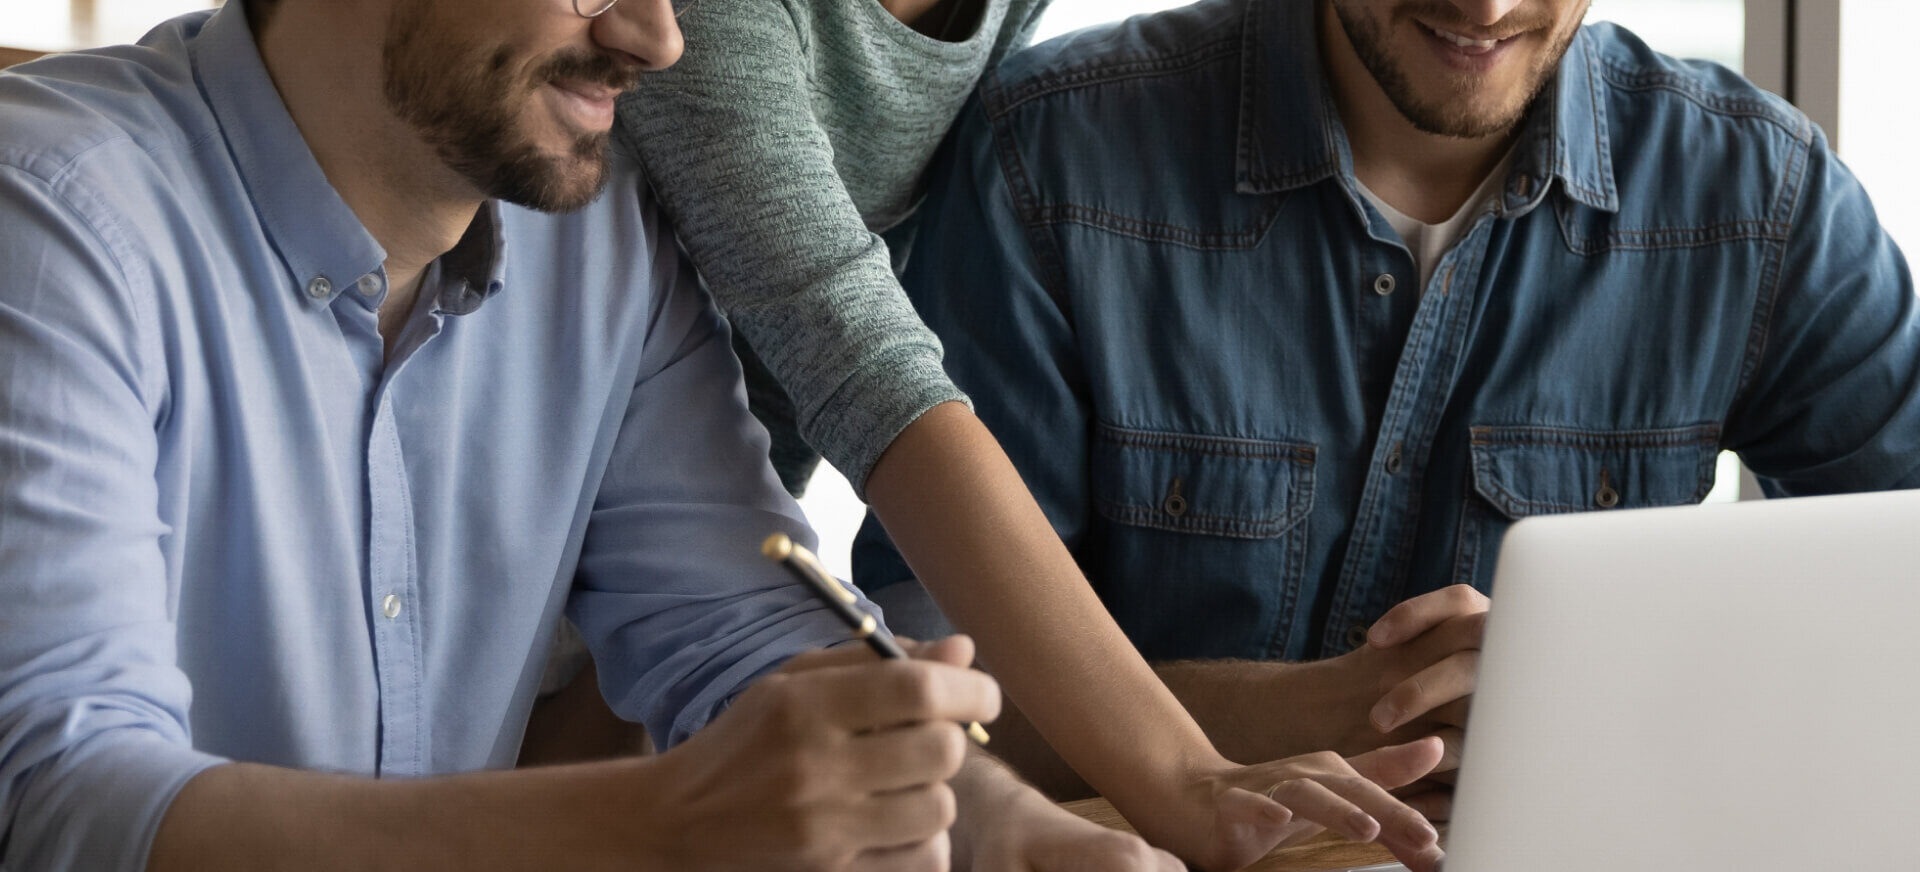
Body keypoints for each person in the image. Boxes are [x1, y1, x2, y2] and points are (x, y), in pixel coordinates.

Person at [0, 0, 1447, 867]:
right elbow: (65, 805)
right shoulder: (57, 217)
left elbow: (741, 641)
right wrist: (660, 829)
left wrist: (1021, 837)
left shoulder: (594, 247)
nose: (658, 37)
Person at [856, 0, 1920, 805]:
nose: (1487, 5)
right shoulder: (1052, 158)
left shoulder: (1763, 200)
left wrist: (1638, 696)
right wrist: (1344, 709)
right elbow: (932, 690)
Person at [590, 1, 1457, 869]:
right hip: (549, 513)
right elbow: (865, 365)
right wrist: (1183, 773)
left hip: (682, 568)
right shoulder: (699, 17)